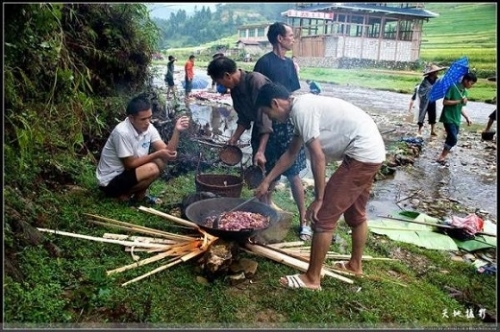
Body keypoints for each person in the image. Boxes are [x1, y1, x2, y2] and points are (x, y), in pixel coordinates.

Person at [254, 83, 386, 290]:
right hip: (371, 151)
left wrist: (319, 199)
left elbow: (318, 157)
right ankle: (354, 265)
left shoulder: (301, 110)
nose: (270, 119)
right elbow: (290, 155)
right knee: (356, 214)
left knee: (322, 217)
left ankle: (312, 279)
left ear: (275, 103)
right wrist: (266, 181)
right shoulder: (300, 110)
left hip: (362, 153)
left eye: (267, 113)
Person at [254, 22, 309, 241]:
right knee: (269, 170)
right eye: (290, 35)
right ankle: (266, 213)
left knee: (293, 173)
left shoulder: (289, 64)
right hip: (270, 123)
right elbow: (260, 102)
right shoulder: (264, 63)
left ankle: (304, 221)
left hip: (290, 124)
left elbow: (293, 95)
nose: (293, 39)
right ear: (279, 38)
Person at [96, 95, 190, 205]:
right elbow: (129, 165)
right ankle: (122, 195)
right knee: (152, 168)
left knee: (161, 161)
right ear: (131, 118)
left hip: (127, 174)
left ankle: (139, 196)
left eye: (150, 117)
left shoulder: (148, 127)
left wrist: (177, 131)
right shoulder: (122, 132)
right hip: (110, 181)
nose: (147, 122)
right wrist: (157, 153)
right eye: (143, 119)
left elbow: (168, 152)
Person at [207, 56, 274, 195]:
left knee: (278, 167)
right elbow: (244, 118)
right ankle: (263, 200)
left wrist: (261, 150)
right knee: (260, 167)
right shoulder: (235, 90)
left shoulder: (256, 81)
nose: (222, 86)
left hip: (276, 127)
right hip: (260, 129)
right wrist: (234, 138)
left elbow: (265, 118)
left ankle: (274, 204)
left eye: (220, 82)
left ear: (227, 75)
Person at [436, 72, 478, 165]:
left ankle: (442, 156)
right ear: (466, 81)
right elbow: (445, 102)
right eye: (471, 83)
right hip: (448, 117)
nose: (472, 85)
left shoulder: (465, 92)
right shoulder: (453, 87)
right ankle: (442, 156)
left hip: (456, 118)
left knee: (451, 138)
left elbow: (460, 108)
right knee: (453, 138)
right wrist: (459, 100)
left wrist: (467, 117)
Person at [416, 64, 447, 136]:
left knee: (433, 114)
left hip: (432, 100)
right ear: (431, 73)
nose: (437, 73)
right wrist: (430, 89)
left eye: (437, 72)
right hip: (425, 100)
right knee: (422, 115)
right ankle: (419, 130)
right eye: (436, 72)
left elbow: (439, 88)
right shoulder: (425, 80)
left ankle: (432, 130)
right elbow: (421, 90)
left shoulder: (437, 80)